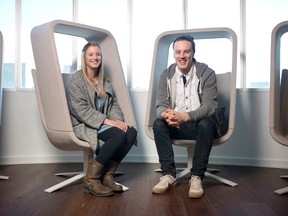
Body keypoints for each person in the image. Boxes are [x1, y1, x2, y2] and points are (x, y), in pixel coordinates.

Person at [152, 35, 223, 198]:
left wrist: (186, 116)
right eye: (178, 52)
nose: (182, 56)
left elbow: (209, 107)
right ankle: (168, 175)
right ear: (174, 54)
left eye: (186, 51)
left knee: (207, 123)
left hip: (199, 125)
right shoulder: (166, 75)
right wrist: (167, 115)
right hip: (176, 124)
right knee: (158, 123)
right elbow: (160, 105)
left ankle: (197, 176)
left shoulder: (207, 73)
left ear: (193, 52)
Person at [66, 41, 137, 197]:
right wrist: (110, 122)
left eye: (98, 54)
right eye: (91, 54)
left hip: (102, 123)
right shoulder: (76, 80)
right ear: (84, 58)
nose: (95, 57)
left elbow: (113, 105)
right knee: (118, 135)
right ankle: (91, 180)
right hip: (85, 124)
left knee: (130, 132)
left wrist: (119, 122)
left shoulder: (105, 81)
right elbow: (80, 110)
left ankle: (107, 176)